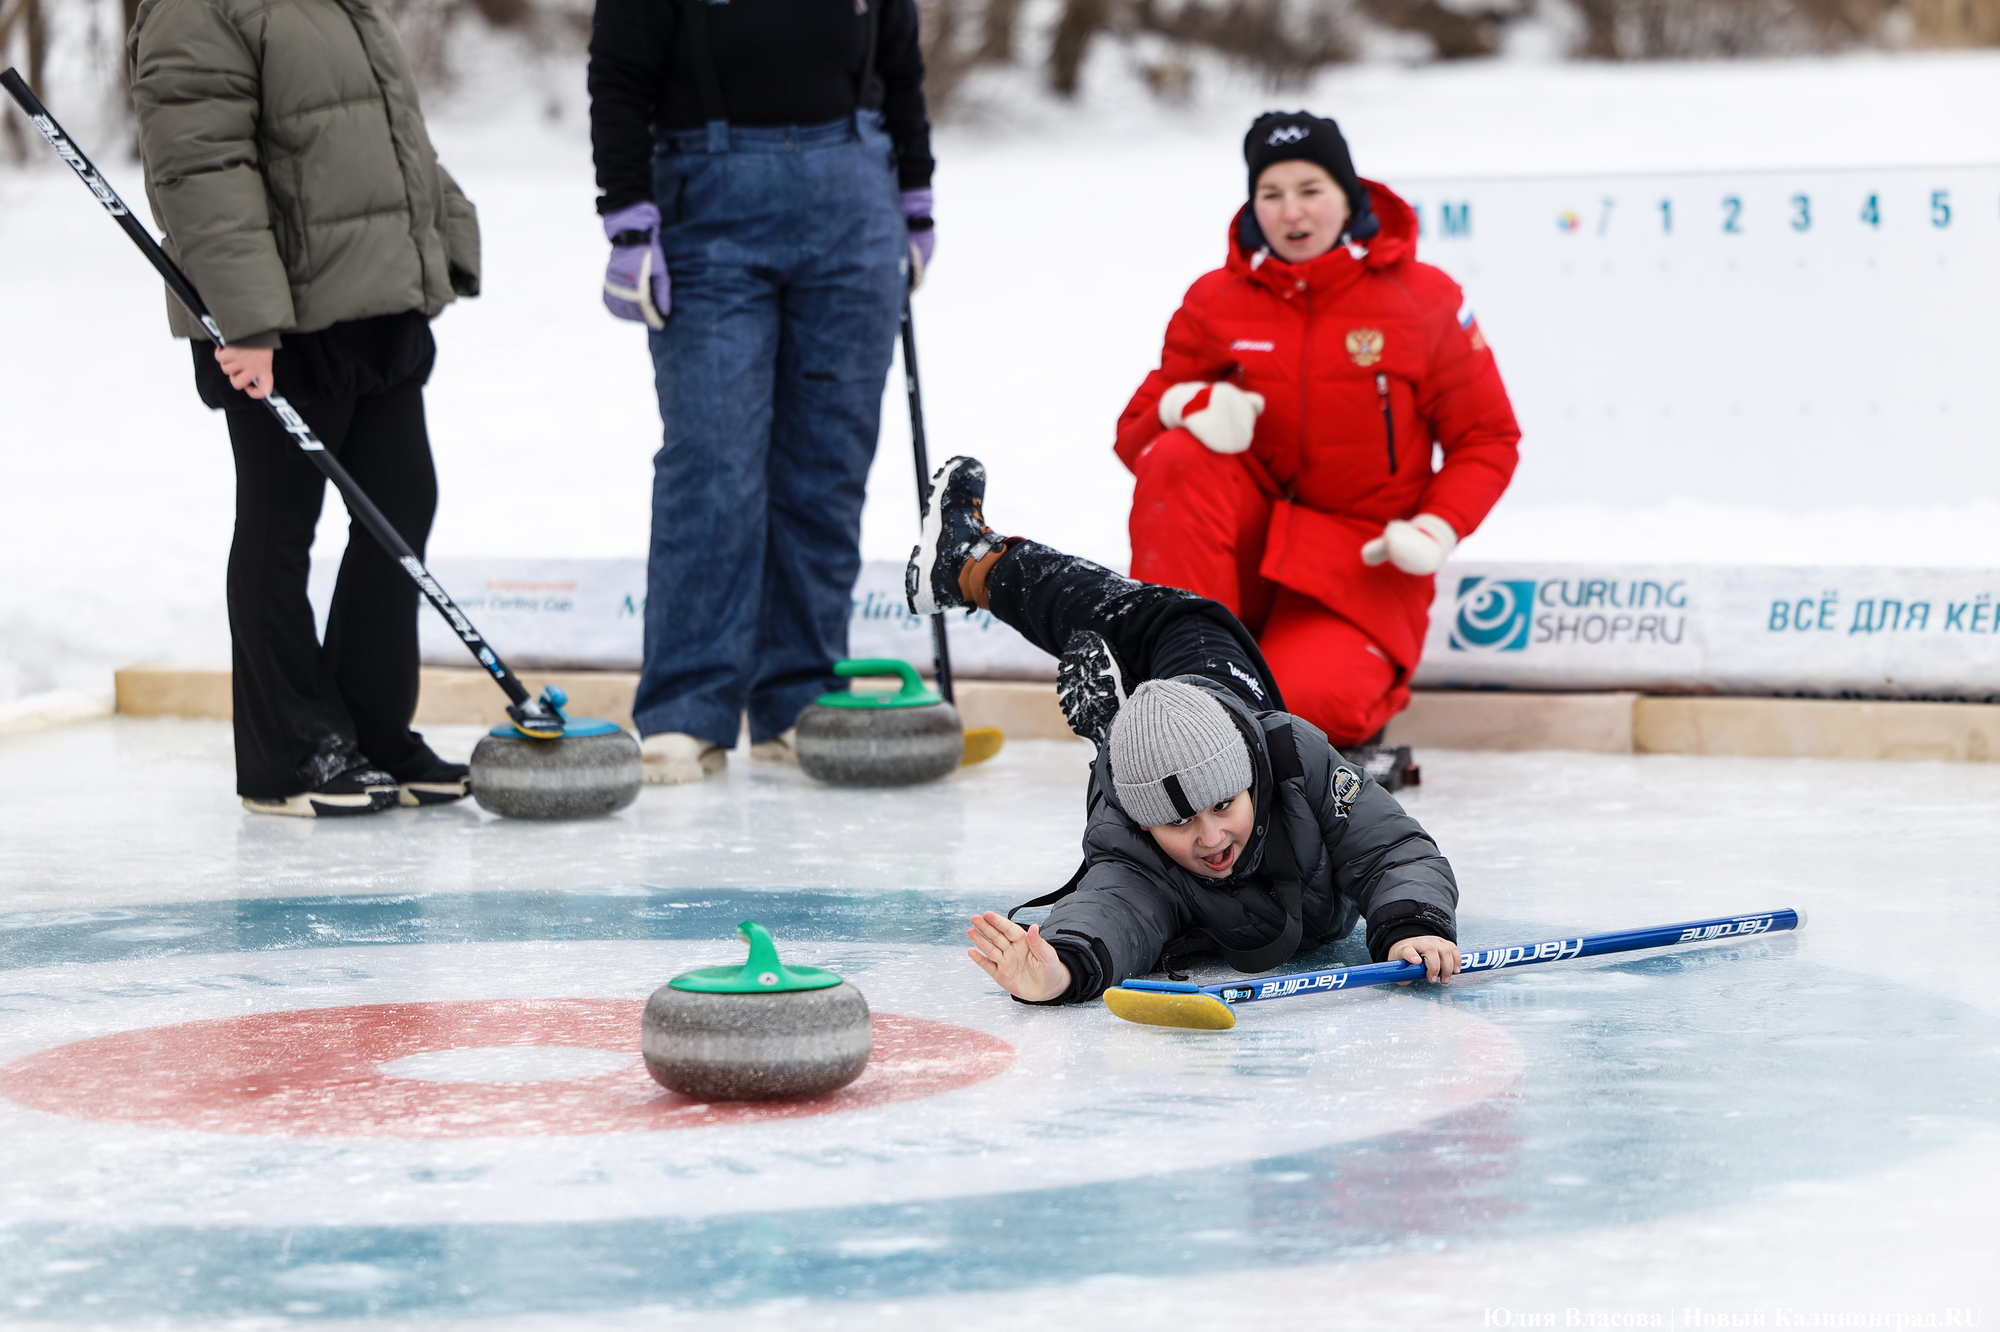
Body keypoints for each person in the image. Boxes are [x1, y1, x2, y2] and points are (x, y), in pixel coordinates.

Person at [906, 457, 1461, 1005]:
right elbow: (1112, 905)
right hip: (1169, 760)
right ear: (1143, 824)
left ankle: (980, 569)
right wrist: (1063, 967)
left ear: (1249, 782)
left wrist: (1412, 923)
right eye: (1177, 821)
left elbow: (1392, 852)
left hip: (1219, 695)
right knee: (1188, 619)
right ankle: (978, 568)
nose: (1211, 838)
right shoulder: (1129, 835)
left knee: (1188, 620)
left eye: (1223, 805)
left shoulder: (1294, 758)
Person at [128, 0, 482, 817]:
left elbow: (394, 132)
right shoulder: (196, 9)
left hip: (375, 297)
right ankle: (289, 752)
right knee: (283, 524)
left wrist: (444, 238)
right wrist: (247, 319)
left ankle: (367, 727)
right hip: (282, 318)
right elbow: (199, 166)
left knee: (400, 504)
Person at [587, 0, 936, 784]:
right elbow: (618, 75)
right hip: (709, 205)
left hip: (852, 199)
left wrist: (914, 200)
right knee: (713, 462)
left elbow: (902, 67)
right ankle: (687, 709)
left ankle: (795, 697)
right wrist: (629, 220)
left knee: (826, 465)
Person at [1116, 111, 1520, 772]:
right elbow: (1137, 435)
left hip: (1358, 567)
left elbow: (1489, 437)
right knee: (1178, 455)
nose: (1291, 212)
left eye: (1311, 190)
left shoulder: (1424, 299)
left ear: (1349, 194)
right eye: (1271, 194)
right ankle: (1177, 676)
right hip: (1245, 558)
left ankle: (1252, 705)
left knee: (1294, 709)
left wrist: (1437, 526)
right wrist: (1188, 404)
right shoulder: (1216, 300)